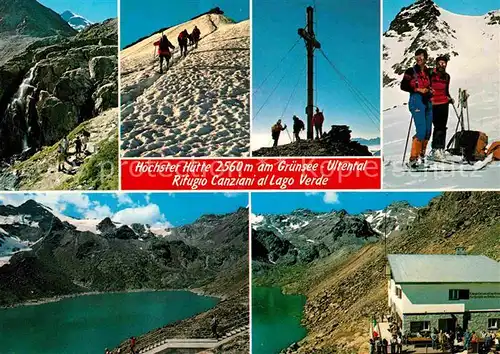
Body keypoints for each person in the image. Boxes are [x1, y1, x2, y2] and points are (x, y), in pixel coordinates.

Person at [400, 48, 433, 168]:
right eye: (416, 56)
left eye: (421, 56)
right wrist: (417, 89)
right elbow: (403, 86)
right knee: (421, 130)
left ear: (425, 57)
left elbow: (431, 84)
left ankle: (422, 156)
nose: (418, 58)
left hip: (427, 101)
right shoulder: (410, 71)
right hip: (416, 100)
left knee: (428, 131)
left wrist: (430, 90)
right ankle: (413, 160)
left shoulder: (429, 72)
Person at [429, 55, 453, 160]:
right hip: (432, 103)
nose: (442, 65)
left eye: (444, 63)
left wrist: (449, 98)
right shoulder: (430, 74)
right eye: (440, 63)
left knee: (442, 127)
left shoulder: (447, 77)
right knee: (432, 128)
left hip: (443, 104)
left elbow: (446, 90)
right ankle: (434, 150)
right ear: (436, 64)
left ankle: (440, 149)